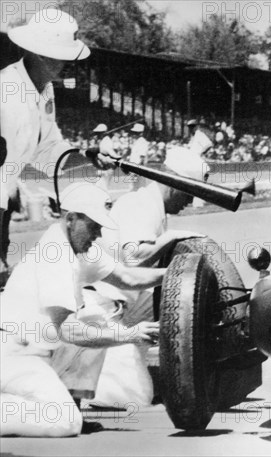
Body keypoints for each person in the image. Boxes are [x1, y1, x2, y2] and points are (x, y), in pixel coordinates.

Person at [0, 183, 166, 437]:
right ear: (71, 219)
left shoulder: (80, 248)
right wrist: (129, 335)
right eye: (93, 226)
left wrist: (179, 273)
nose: (98, 234)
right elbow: (68, 331)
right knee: (65, 423)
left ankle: (70, 403)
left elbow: (129, 278)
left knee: (94, 318)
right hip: (14, 356)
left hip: (35, 353)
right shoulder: (54, 255)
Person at [81, 147, 210, 409]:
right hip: (100, 311)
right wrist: (172, 239)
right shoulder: (140, 204)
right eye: (189, 193)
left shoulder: (151, 206)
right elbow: (134, 259)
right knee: (128, 397)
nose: (190, 202)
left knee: (176, 300)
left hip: (120, 305)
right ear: (173, 185)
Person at [0, 9, 117, 286]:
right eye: (61, 55)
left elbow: (49, 148)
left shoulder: (44, 89)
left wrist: (89, 156)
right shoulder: (8, 92)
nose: (67, 63)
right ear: (39, 52)